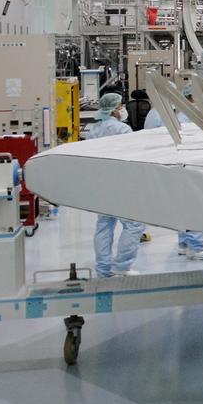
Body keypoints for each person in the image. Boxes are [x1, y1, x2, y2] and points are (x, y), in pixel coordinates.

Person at [144, 83, 203, 260]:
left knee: (185, 204)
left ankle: (185, 243)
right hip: (183, 164)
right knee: (194, 204)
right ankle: (196, 246)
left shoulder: (160, 113)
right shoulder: (185, 116)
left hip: (170, 165)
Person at [86, 92, 145, 276]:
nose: (123, 110)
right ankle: (121, 266)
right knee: (133, 226)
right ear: (114, 110)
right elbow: (133, 158)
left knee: (104, 225)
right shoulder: (123, 130)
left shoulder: (93, 130)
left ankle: (103, 269)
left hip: (101, 184)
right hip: (121, 184)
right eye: (121, 106)